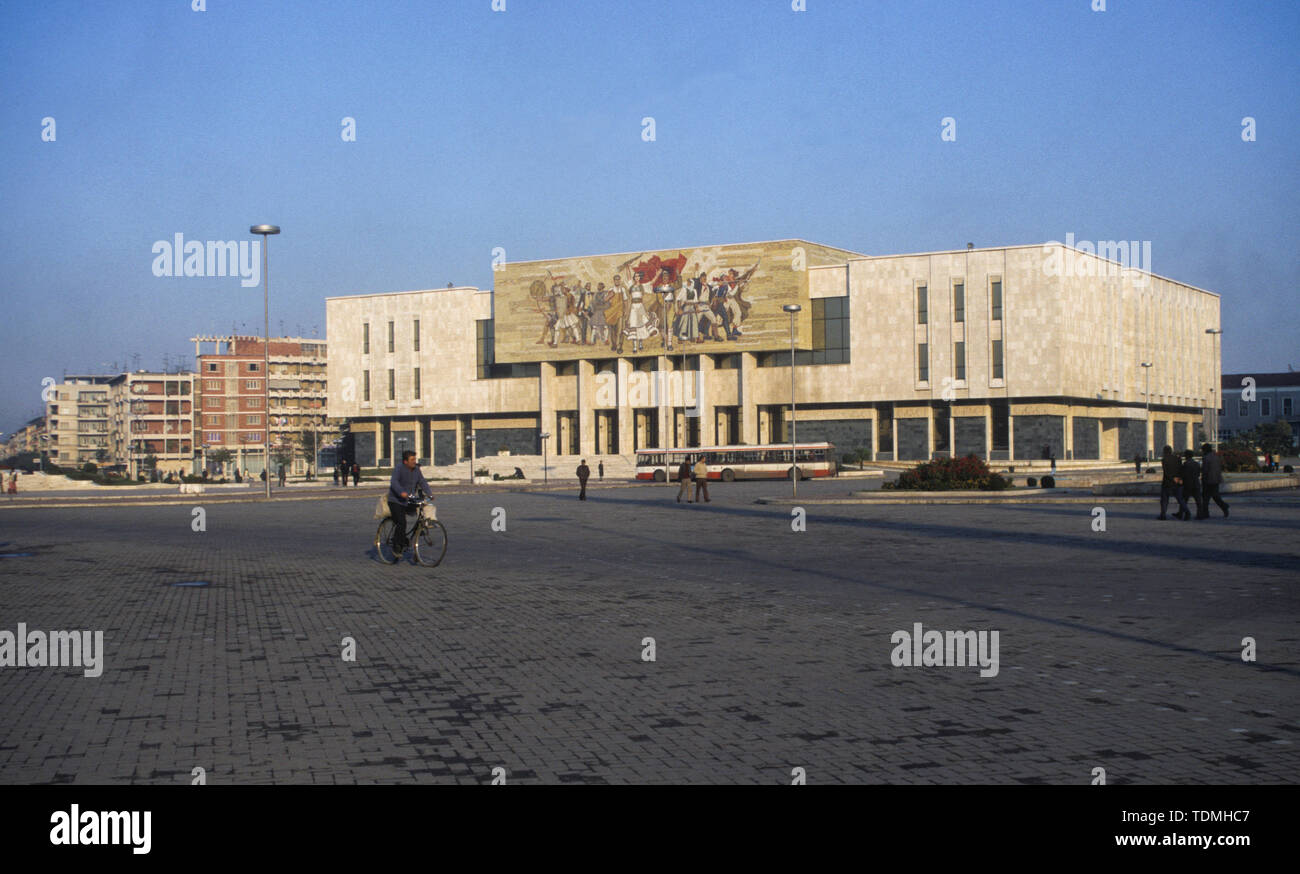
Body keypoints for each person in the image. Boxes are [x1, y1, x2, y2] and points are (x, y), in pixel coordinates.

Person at [388, 450, 433, 554]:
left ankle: (416, 535)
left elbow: (422, 481)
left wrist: (429, 493)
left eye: (415, 459)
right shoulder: (399, 469)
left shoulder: (416, 470)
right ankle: (397, 544)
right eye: (412, 459)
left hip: (409, 500)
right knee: (401, 522)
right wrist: (401, 492)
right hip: (396, 500)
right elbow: (394, 482)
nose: (414, 461)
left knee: (422, 513)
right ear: (405, 461)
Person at [1199, 443, 1229, 518]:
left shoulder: (1206, 458)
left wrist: (1202, 477)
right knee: (1215, 496)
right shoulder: (1216, 457)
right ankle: (1224, 506)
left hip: (1208, 480)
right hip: (1216, 479)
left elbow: (1205, 470)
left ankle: (1205, 513)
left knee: (1205, 498)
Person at [1158, 445, 1186, 520]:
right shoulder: (1178, 459)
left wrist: (1172, 478)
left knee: (1164, 500)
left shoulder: (1164, 460)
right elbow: (1181, 469)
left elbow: (1166, 472)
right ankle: (1187, 512)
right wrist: (1179, 479)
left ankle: (1163, 515)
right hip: (1177, 482)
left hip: (1167, 482)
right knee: (1180, 499)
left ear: (1164, 452)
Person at [1179, 449, 1202, 521]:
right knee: (1198, 501)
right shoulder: (1196, 464)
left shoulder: (1186, 464)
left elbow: (1183, 474)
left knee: (1184, 500)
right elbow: (1198, 474)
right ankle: (1200, 515)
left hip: (1188, 484)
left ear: (1186, 456)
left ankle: (1183, 514)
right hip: (1196, 483)